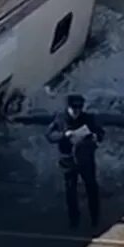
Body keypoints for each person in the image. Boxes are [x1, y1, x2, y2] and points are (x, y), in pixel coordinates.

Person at [46, 93, 105, 229]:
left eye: (80, 108)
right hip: (68, 159)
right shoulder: (60, 118)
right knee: (70, 191)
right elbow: (49, 135)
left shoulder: (88, 119)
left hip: (85, 159)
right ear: (68, 107)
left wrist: (96, 136)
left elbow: (100, 133)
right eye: (74, 108)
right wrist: (63, 135)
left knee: (91, 188)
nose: (77, 111)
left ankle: (95, 217)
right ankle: (74, 219)